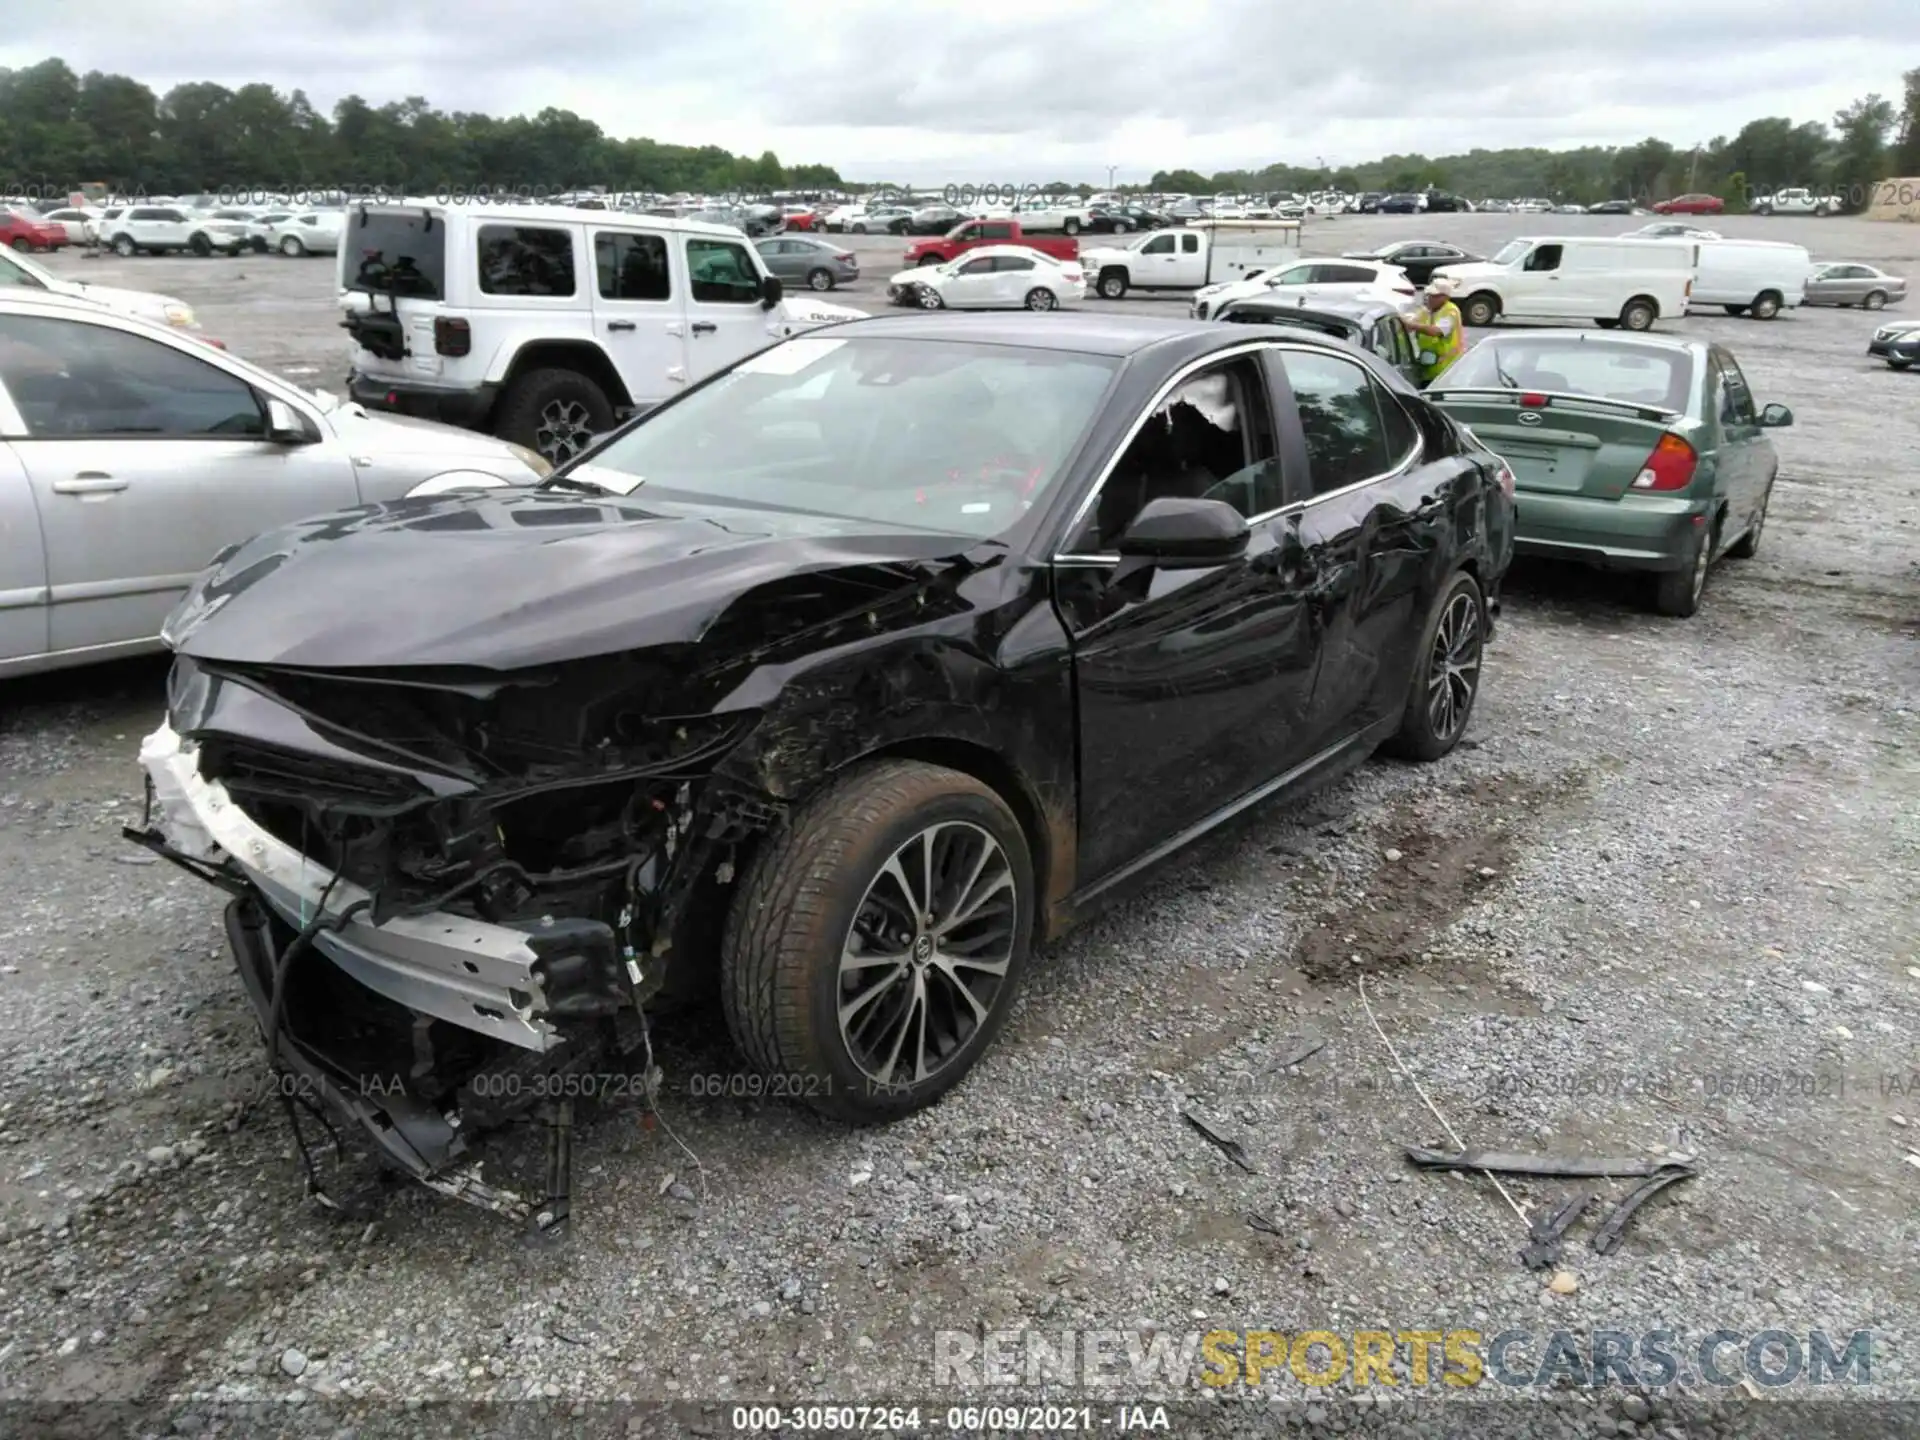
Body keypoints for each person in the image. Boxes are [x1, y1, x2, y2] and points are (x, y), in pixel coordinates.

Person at [1405, 278, 1465, 384]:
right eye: (1429, 295)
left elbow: (1436, 331)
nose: (1430, 298)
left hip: (1445, 371)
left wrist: (1413, 326)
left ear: (1445, 297)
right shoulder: (1427, 310)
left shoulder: (1451, 311)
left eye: (1434, 296)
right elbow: (1411, 322)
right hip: (1427, 368)